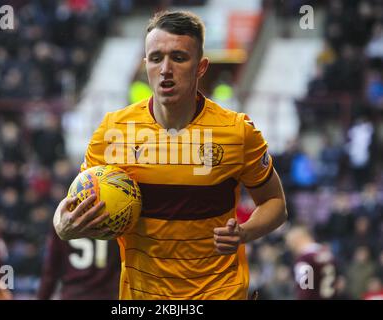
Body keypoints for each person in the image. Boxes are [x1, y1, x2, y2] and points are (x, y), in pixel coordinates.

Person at [54, 11, 287, 299]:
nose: (165, 68)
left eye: (178, 58)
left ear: (201, 67)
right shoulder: (113, 131)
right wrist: (61, 225)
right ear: (145, 65)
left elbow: (275, 202)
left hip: (219, 293)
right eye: (156, 58)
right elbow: (77, 200)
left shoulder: (237, 131)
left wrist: (245, 232)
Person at [37, 227, 120, 300]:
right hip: (107, 294)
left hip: (74, 294)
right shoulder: (117, 217)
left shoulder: (62, 217)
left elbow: (51, 269)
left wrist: (42, 297)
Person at [285, 225, 338, 300]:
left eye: (291, 243)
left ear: (298, 240)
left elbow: (305, 288)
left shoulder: (304, 259)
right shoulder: (328, 254)